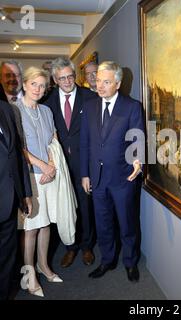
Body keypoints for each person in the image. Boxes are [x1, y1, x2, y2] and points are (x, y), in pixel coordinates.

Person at [80, 61, 144, 282]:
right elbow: (85, 142)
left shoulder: (132, 107)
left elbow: (137, 141)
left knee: (127, 224)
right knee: (103, 224)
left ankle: (130, 262)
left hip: (123, 178)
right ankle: (107, 260)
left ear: (117, 83)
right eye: (98, 81)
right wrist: (85, 174)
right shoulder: (89, 107)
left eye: (106, 82)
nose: (100, 86)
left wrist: (138, 163)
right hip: (97, 180)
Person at [16, 67, 66, 297]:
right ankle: (29, 274)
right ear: (24, 84)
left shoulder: (46, 110)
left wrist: (51, 165)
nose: (38, 89)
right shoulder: (14, 111)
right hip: (29, 176)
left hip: (49, 174)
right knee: (31, 228)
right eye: (34, 84)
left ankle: (43, 266)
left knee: (46, 224)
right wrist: (42, 166)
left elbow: (53, 139)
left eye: (42, 85)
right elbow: (19, 149)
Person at [45, 57, 97, 268]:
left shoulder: (90, 97)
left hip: (84, 163)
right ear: (55, 80)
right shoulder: (47, 101)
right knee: (65, 206)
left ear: (75, 76)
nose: (67, 81)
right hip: (60, 166)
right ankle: (70, 247)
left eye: (70, 76)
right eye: (62, 78)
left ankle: (86, 247)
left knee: (85, 206)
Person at [0, 100, 32, 300]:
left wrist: (26, 193)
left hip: (9, 200)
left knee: (6, 257)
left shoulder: (6, 109)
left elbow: (17, 155)